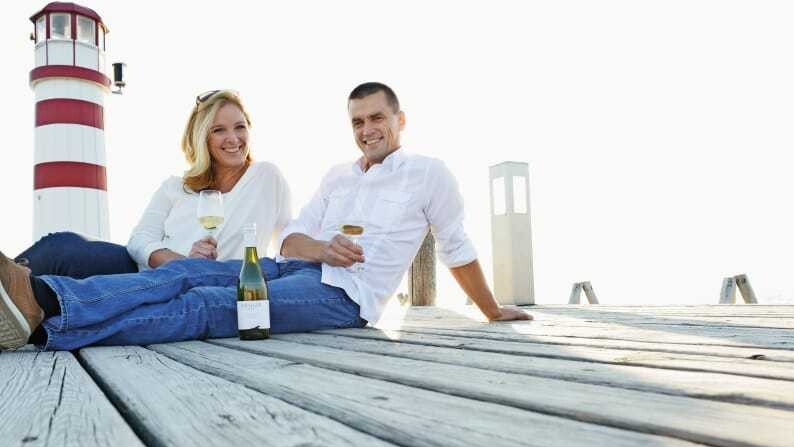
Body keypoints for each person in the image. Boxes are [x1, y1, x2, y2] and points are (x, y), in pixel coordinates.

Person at [0, 82, 530, 352]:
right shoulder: (338, 177)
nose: (367, 129)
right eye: (358, 120)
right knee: (182, 273)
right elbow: (294, 238)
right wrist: (321, 248)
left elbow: (458, 244)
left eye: (377, 119)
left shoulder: (428, 173)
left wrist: (489, 309)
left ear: (399, 121)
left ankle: (47, 331)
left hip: (345, 298)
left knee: (206, 304)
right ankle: (41, 299)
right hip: (292, 268)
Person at [14, 90, 291, 277]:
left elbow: (288, 240)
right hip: (144, 270)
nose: (233, 138)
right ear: (201, 139)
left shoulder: (265, 178)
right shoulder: (175, 187)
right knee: (61, 247)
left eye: (240, 126)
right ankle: (9, 285)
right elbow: (139, 241)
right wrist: (181, 262)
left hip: (189, 285)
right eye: (219, 130)